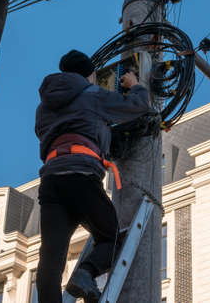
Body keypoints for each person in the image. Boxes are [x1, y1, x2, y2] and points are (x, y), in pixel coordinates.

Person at [35, 50, 151, 303]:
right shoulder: (92, 94)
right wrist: (136, 86)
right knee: (111, 237)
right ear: (89, 75)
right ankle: (85, 274)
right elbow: (138, 106)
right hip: (82, 175)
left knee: (51, 257)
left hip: (52, 181)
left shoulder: (43, 108)